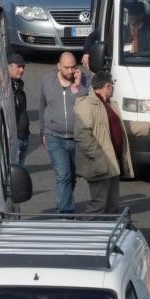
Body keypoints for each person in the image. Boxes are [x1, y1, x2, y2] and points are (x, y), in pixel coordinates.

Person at [39, 52, 88, 214]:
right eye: (67, 67)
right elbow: (42, 106)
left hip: (76, 137)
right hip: (54, 136)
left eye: (73, 67)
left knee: (72, 176)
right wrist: (43, 132)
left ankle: (63, 200)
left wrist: (78, 85)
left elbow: (84, 103)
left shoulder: (83, 81)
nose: (71, 71)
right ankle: (66, 213)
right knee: (63, 175)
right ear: (59, 66)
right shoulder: (47, 81)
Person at [74, 72, 123, 214]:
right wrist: (99, 156)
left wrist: (148, 126)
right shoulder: (86, 104)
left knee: (112, 206)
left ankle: (107, 235)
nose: (113, 89)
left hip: (113, 164)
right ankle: (85, 234)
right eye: (112, 86)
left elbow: (123, 126)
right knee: (99, 205)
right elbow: (82, 134)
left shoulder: (110, 104)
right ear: (107, 86)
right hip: (101, 164)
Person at [8, 53, 30, 168]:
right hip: (14, 139)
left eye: (23, 67)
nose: (22, 70)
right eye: (19, 66)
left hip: (24, 136)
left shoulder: (18, 86)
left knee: (20, 170)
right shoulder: (6, 88)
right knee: (16, 174)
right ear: (9, 67)